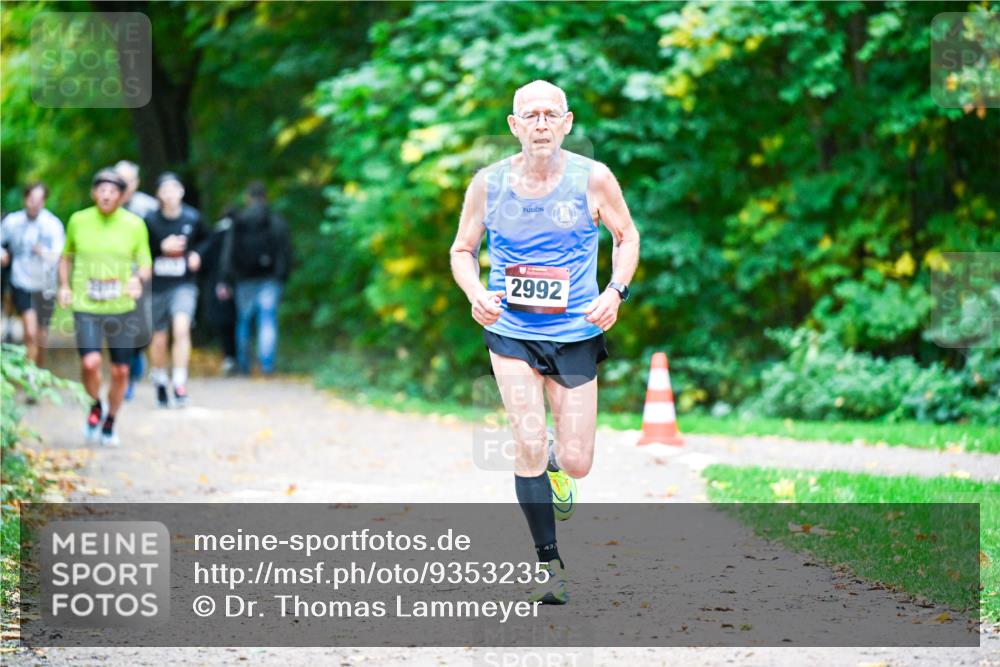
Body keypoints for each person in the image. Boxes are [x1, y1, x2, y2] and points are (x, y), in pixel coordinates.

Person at [449, 80, 640, 604]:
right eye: (529, 115)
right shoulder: (488, 185)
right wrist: (475, 291)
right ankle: (549, 566)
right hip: (511, 331)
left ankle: (559, 466)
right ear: (514, 126)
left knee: (577, 460)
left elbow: (628, 237)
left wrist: (615, 292)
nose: (539, 123)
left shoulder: (593, 179)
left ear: (567, 122)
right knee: (528, 441)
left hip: (576, 333)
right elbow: (462, 249)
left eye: (549, 114)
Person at [59, 168, 152, 447]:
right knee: (91, 362)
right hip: (86, 304)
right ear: (93, 193)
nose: (106, 195)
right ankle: (95, 404)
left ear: (122, 196)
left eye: (112, 191)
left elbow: (146, 263)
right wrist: (64, 285)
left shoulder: (135, 225)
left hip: (122, 307)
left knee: (121, 371)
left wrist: (137, 279)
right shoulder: (78, 220)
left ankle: (111, 418)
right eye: (101, 190)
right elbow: (65, 257)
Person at [144, 172, 207, 407]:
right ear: (158, 194)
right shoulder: (150, 220)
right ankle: (160, 379)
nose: (170, 194)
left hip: (183, 284)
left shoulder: (192, 217)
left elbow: (207, 240)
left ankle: (180, 383)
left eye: (174, 189)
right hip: (158, 286)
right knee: (158, 339)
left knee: (182, 329)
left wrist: (197, 254)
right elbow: (140, 250)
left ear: (181, 192)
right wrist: (160, 248)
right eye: (165, 190)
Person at [217, 182, 292, 376]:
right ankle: (267, 365)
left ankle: (244, 365)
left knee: (244, 321)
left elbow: (229, 252)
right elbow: (285, 252)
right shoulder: (275, 221)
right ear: (265, 197)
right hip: (270, 279)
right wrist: (281, 276)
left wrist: (226, 278)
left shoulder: (239, 221)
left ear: (247, 198)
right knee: (267, 320)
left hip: (244, 280)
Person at [0, 182, 65, 369]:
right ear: (25, 199)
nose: (34, 204)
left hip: (45, 285)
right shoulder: (13, 222)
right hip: (21, 282)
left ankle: (39, 369)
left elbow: (60, 256)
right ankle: (31, 379)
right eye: (30, 199)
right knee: (29, 331)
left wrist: (43, 252)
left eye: (38, 200)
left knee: (41, 334)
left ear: (44, 201)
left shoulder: (52, 224)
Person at [114, 160, 158, 400]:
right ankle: (126, 373)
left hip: (142, 274)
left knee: (140, 325)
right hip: (112, 275)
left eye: (128, 180)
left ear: (136, 183)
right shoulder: (107, 204)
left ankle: (135, 357)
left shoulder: (149, 207)